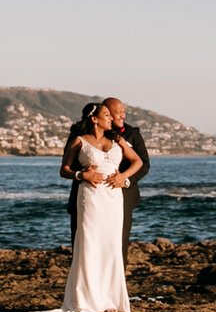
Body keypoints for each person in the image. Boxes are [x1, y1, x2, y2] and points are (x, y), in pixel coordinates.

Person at [23, 100, 143, 312]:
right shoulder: (79, 141)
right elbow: (64, 170)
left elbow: (138, 162)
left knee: (111, 246)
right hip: (90, 198)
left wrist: (123, 177)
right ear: (94, 119)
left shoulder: (117, 139)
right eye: (107, 115)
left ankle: (110, 300)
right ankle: (89, 300)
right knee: (89, 244)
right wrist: (81, 175)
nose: (112, 118)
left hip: (113, 199)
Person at [62, 96, 150, 244]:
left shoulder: (130, 134)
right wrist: (83, 174)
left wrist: (125, 179)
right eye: (117, 112)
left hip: (119, 196)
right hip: (88, 194)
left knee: (116, 243)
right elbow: (68, 164)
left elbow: (143, 163)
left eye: (124, 111)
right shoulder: (79, 136)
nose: (123, 115)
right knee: (85, 242)